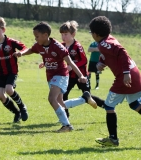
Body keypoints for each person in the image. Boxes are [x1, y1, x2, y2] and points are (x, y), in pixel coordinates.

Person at [14, 21, 94, 132]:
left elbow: (70, 62)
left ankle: (67, 125)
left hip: (61, 75)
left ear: (45, 35)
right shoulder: (39, 45)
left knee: (52, 99)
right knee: (60, 103)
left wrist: (81, 75)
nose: (35, 39)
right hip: (51, 76)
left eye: (37, 36)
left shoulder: (58, 47)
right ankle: (84, 99)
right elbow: (31, 50)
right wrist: (22, 53)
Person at [89, 16, 141, 147]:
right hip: (135, 74)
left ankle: (113, 139)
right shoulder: (109, 39)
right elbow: (110, 54)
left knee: (108, 106)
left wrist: (125, 73)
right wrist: (101, 62)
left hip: (126, 77)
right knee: (134, 104)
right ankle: (112, 138)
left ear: (95, 34)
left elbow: (122, 52)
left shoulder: (104, 44)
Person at [58, 21, 104, 118]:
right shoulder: (61, 46)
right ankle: (65, 116)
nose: (63, 37)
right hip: (70, 76)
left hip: (81, 76)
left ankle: (107, 106)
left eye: (65, 34)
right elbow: (57, 57)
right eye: (62, 34)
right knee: (63, 95)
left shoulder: (77, 46)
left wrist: (72, 66)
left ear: (73, 34)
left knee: (88, 96)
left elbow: (84, 60)